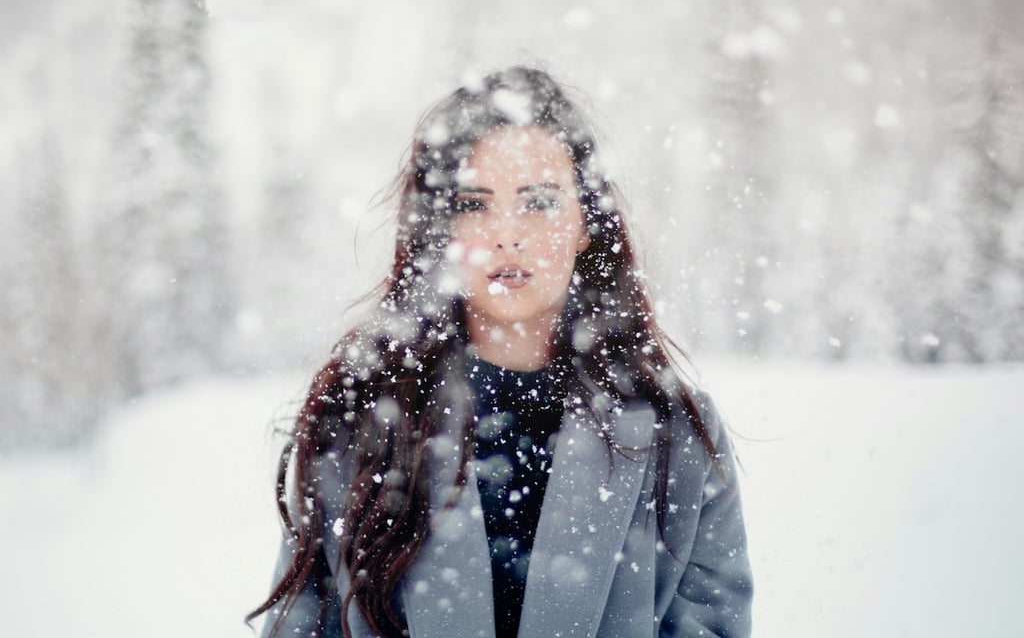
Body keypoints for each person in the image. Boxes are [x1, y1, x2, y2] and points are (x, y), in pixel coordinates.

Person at [249, 66, 753, 638]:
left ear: (586, 222)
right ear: (439, 227)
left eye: (538, 201)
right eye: (475, 204)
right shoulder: (362, 419)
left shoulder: (676, 434)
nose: (506, 234)